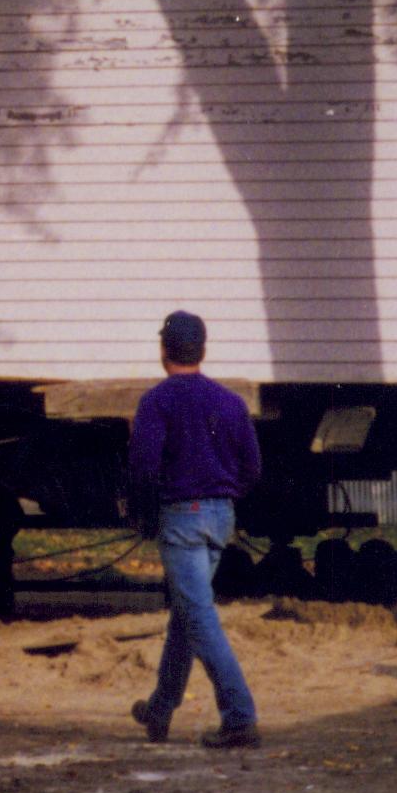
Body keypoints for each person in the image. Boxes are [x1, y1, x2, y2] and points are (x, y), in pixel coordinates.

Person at [127, 310, 262, 750]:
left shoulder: (156, 402)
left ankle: (239, 716)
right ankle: (161, 707)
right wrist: (224, 497)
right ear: (202, 350)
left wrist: (144, 514)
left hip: (181, 517)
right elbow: (251, 467)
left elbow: (144, 467)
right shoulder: (230, 402)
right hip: (220, 517)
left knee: (199, 617)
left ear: (164, 351)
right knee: (188, 612)